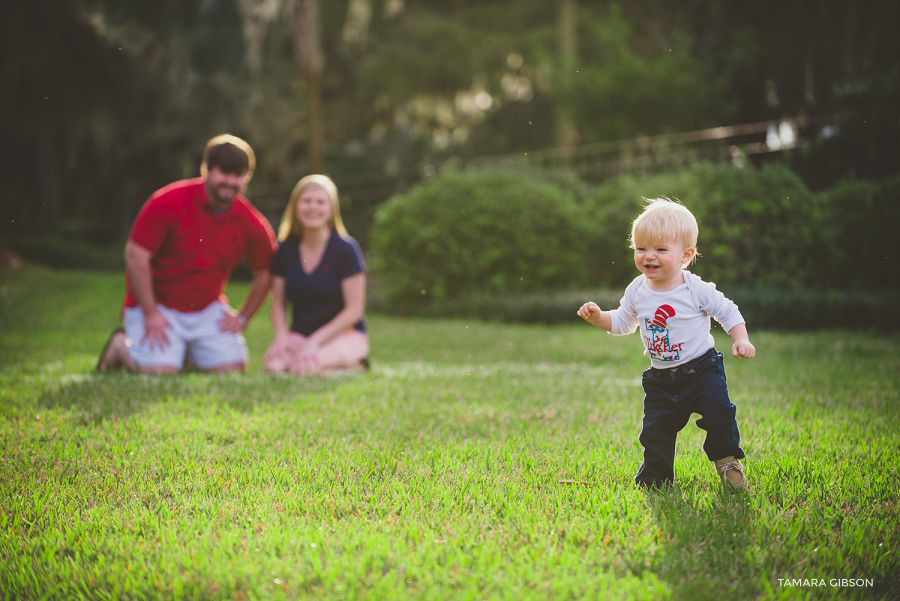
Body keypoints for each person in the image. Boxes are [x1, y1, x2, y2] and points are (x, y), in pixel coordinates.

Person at [576, 198, 755, 491]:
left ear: (686, 255)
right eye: (641, 248)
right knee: (655, 432)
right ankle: (655, 481)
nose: (649, 256)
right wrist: (599, 318)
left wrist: (741, 338)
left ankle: (727, 463)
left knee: (719, 414)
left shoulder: (694, 288)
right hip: (661, 378)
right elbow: (623, 321)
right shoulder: (637, 289)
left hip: (702, 370)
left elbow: (727, 310)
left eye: (660, 249)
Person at [97, 134, 277, 374]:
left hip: (206, 309)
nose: (230, 181)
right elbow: (136, 257)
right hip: (157, 306)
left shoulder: (251, 221)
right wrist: (150, 313)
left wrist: (243, 318)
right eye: (224, 172)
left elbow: (266, 273)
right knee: (160, 373)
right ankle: (120, 346)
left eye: (238, 175)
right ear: (207, 170)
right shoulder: (168, 200)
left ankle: (185, 353)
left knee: (232, 371)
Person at [263, 174, 369, 375]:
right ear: (295, 206)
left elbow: (354, 309)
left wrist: (314, 342)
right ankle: (328, 367)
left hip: (344, 335)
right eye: (306, 201)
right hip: (300, 334)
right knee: (272, 367)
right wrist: (280, 337)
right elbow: (278, 303)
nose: (313, 207)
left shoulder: (346, 249)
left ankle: (356, 366)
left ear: (331, 210)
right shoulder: (285, 250)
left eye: (320, 202)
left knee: (304, 368)